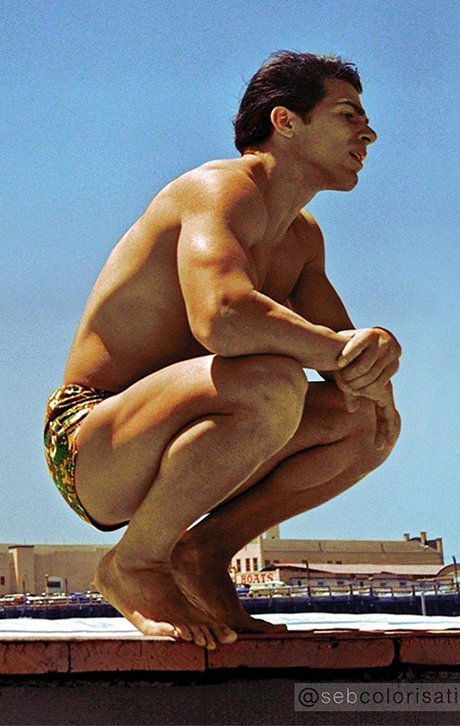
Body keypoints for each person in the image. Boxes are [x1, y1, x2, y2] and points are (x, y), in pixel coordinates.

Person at [44, 52, 401, 644]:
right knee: (272, 381)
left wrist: (376, 352)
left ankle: (203, 555)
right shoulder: (217, 189)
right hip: (92, 441)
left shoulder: (303, 236)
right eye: (348, 115)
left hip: (188, 435)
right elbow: (223, 316)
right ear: (286, 121)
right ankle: (136, 563)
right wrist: (344, 354)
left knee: (367, 422)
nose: (369, 134)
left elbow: (345, 360)